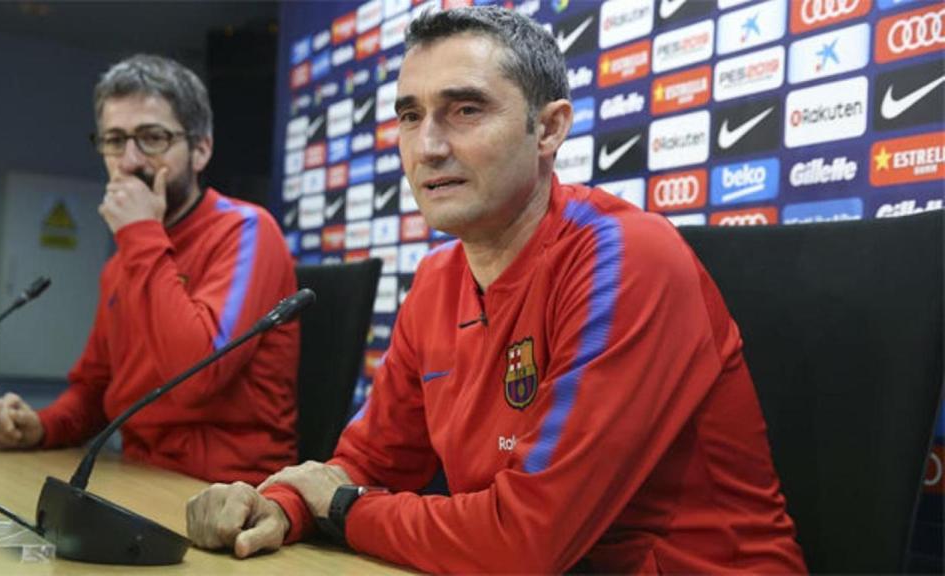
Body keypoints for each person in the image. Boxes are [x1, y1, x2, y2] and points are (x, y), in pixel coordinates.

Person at [186, 7, 807, 573]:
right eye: (410, 116)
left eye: (466, 110)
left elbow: (525, 541)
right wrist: (284, 505)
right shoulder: (434, 282)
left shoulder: (625, 259)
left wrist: (342, 509)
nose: (427, 147)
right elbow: (373, 461)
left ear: (549, 129)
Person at [0, 55, 300, 485]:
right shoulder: (125, 260)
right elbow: (95, 392)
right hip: (137, 477)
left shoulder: (246, 230)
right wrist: (40, 426)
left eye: (151, 138)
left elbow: (197, 377)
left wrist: (140, 234)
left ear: (201, 149)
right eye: (114, 140)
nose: (129, 161)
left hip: (229, 493)